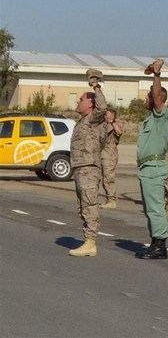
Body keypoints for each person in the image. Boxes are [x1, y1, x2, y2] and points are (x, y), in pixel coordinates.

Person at [135, 58, 168, 260]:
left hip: (155, 166)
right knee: (150, 209)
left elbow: (158, 98)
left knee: (155, 207)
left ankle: (160, 245)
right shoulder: (150, 118)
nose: (146, 99)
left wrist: (156, 75)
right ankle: (154, 241)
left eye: (149, 96)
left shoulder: (164, 115)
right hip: (146, 167)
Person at [68, 69, 107, 257]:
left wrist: (95, 86)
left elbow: (102, 107)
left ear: (90, 104)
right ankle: (87, 241)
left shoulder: (93, 119)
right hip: (80, 169)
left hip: (89, 169)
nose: (78, 101)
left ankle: (91, 242)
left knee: (90, 204)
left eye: (81, 99)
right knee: (83, 205)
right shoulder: (82, 121)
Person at [99, 108, 123, 209]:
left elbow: (119, 132)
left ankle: (111, 200)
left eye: (107, 115)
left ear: (112, 116)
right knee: (103, 178)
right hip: (101, 154)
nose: (105, 116)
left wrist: (112, 122)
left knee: (108, 179)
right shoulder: (103, 124)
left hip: (110, 155)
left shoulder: (117, 123)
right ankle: (108, 199)